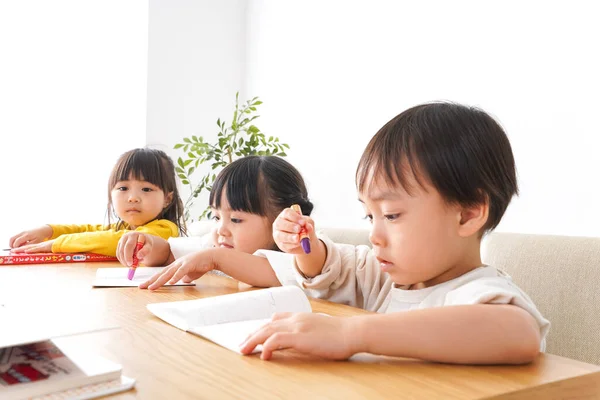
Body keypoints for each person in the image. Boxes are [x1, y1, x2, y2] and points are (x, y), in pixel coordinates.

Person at [240, 102, 550, 365]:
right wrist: (303, 244)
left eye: (391, 215)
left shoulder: (479, 293)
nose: (375, 234)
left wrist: (349, 333)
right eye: (369, 215)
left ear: (468, 214)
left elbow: (518, 331)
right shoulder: (384, 277)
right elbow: (330, 270)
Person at [116, 155, 313, 289]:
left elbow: (276, 272)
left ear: (283, 219)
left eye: (235, 219)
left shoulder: (302, 257)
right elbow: (169, 252)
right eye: (216, 217)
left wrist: (214, 258)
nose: (221, 230)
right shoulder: (215, 245)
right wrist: (148, 244)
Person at [8, 148, 185, 256]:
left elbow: (116, 241)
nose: (132, 197)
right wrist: (49, 230)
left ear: (167, 199)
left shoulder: (164, 229)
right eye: (123, 188)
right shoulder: (124, 226)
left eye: (146, 189)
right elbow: (90, 231)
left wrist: (57, 244)